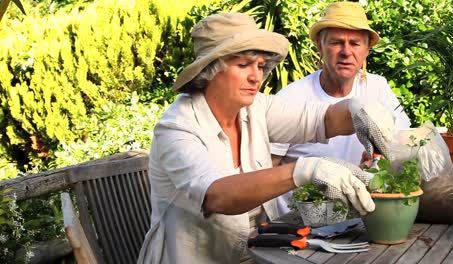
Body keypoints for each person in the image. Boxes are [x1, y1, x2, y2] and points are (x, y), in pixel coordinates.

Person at [138, 12, 395, 264]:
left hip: (259, 255)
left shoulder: (256, 108)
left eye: (260, 66)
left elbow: (324, 119)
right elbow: (216, 195)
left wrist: (357, 108)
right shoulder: (177, 127)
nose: (256, 76)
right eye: (243, 65)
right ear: (210, 70)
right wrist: (304, 169)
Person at [270, 1, 412, 215]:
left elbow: (404, 147)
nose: (346, 52)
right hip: (302, 221)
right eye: (337, 42)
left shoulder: (378, 88)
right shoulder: (290, 98)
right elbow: (266, 170)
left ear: (367, 49)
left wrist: (378, 159)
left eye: (355, 43)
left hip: (360, 218)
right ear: (320, 45)